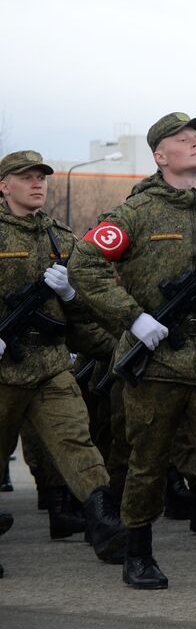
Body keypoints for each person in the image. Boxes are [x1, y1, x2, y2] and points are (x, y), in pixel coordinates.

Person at [68, 115, 196, 588]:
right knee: (148, 456)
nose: (195, 144)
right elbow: (85, 264)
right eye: (183, 140)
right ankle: (137, 549)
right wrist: (132, 317)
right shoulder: (135, 214)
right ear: (160, 155)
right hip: (157, 355)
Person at [0, 150, 126, 566]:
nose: (38, 183)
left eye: (42, 177)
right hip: (3, 369)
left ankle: (105, 523)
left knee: (78, 443)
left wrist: (71, 293)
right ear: (4, 187)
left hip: (51, 363)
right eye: (26, 177)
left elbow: (83, 312)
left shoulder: (62, 238)